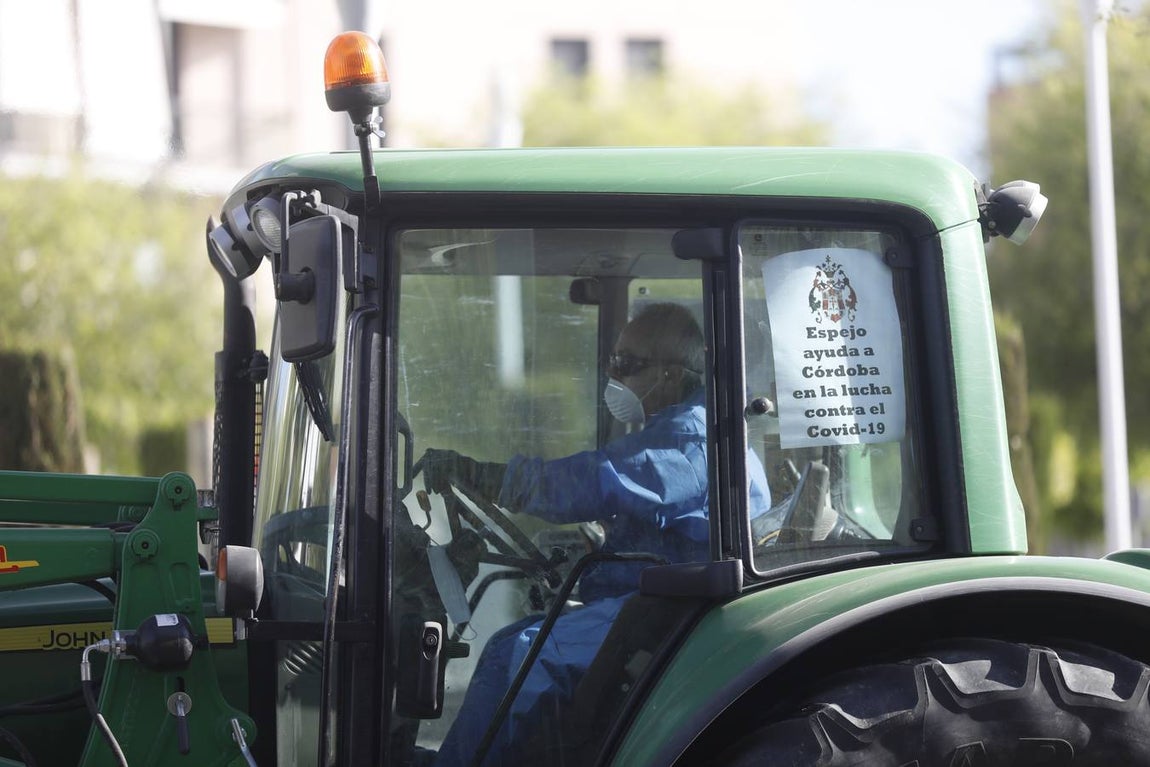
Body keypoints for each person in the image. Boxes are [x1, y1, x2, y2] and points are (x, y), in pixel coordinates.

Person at [422, 302, 777, 766]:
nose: (616, 375)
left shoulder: (693, 439)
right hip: (653, 600)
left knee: (517, 656)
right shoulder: (683, 426)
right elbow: (646, 517)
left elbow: (598, 482)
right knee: (520, 643)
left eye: (627, 364)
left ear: (670, 375)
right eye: (612, 362)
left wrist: (488, 476)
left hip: (681, 615)